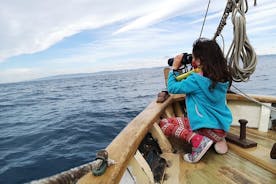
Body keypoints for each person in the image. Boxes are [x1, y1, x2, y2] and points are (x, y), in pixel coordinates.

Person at [159, 38, 233, 163]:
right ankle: (217, 139)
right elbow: (201, 75)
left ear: (199, 60)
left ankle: (197, 140)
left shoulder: (195, 80)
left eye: (193, 58)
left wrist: (174, 68)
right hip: (221, 128)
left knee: (164, 123)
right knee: (200, 123)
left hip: (205, 128)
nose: (192, 61)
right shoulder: (223, 78)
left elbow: (172, 87)